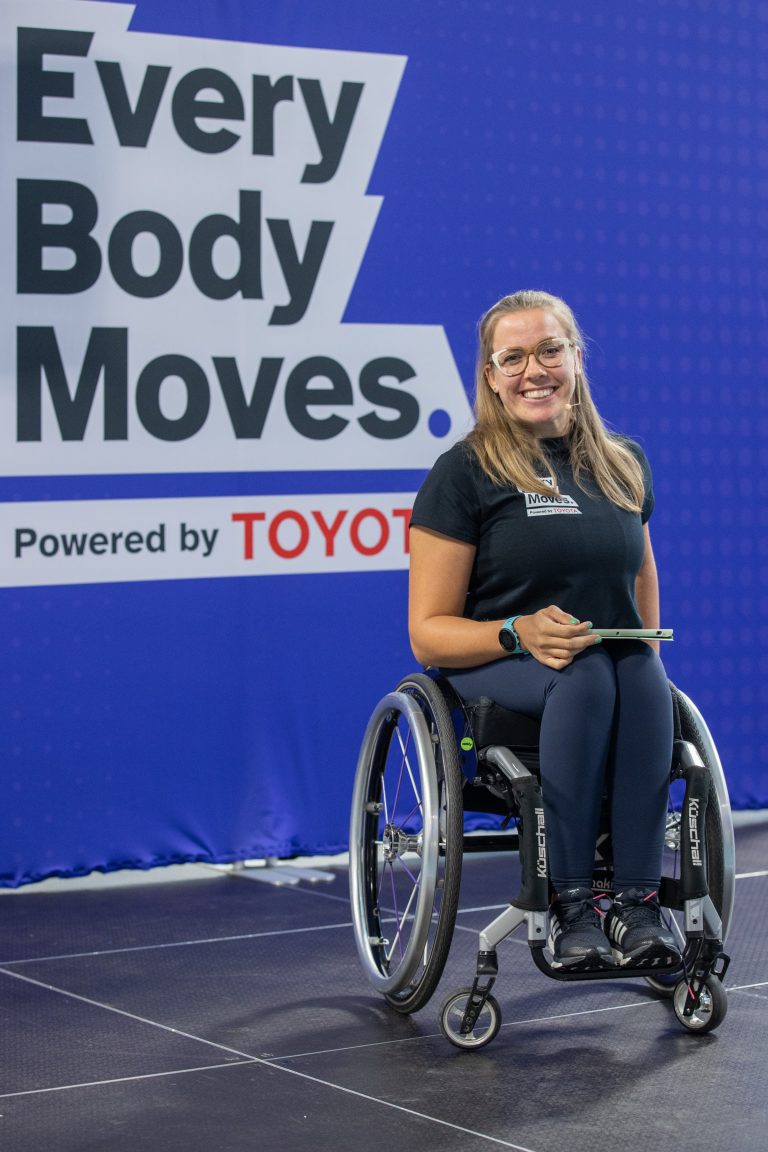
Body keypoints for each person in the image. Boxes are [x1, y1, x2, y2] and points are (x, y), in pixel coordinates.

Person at [408, 289, 680, 971]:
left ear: (577, 357)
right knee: (583, 674)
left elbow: (641, 577)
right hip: (495, 661)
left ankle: (640, 905)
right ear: (492, 376)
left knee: (643, 675)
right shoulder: (464, 473)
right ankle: (572, 905)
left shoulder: (624, 462)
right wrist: (516, 633)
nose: (536, 369)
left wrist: (638, 642)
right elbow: (428, 634)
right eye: (514, 357)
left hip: (599, 664)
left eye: (550, 349)